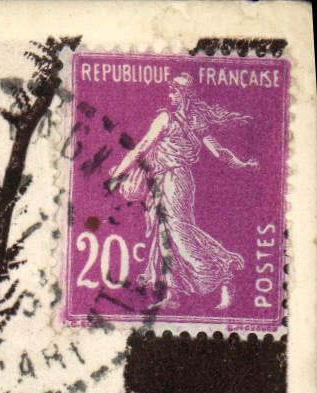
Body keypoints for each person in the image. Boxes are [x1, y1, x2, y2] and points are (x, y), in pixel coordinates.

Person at [107, 73, 256, 309]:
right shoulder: (185, 120)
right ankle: (173, 293)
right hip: (166, 179)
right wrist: (240, 163)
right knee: (164, 235)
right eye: (171, 89)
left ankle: (224, 277)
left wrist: (116, 175)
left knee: (179, 233)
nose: (171, 94)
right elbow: (143, 148)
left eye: (176, 90)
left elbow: (140, 149)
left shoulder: (175, 119)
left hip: (175, 180)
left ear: (187, 95)